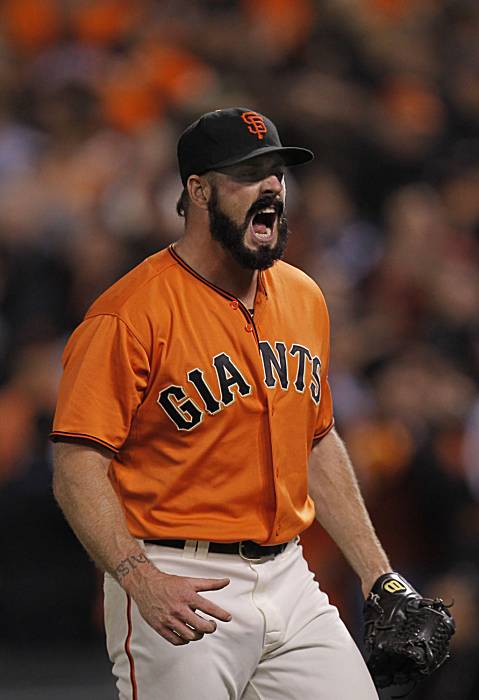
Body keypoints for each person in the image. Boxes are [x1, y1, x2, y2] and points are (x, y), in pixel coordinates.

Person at [51, 107, 390, 700]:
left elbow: (315, 440)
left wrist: (378, 576)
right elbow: (78, 469)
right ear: (198, 191)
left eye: (277, 173)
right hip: (179, 578)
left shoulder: (303, 296)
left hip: (290, 575)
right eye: (248, 172)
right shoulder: (129, 314)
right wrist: (138, 579)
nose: (271, 187)